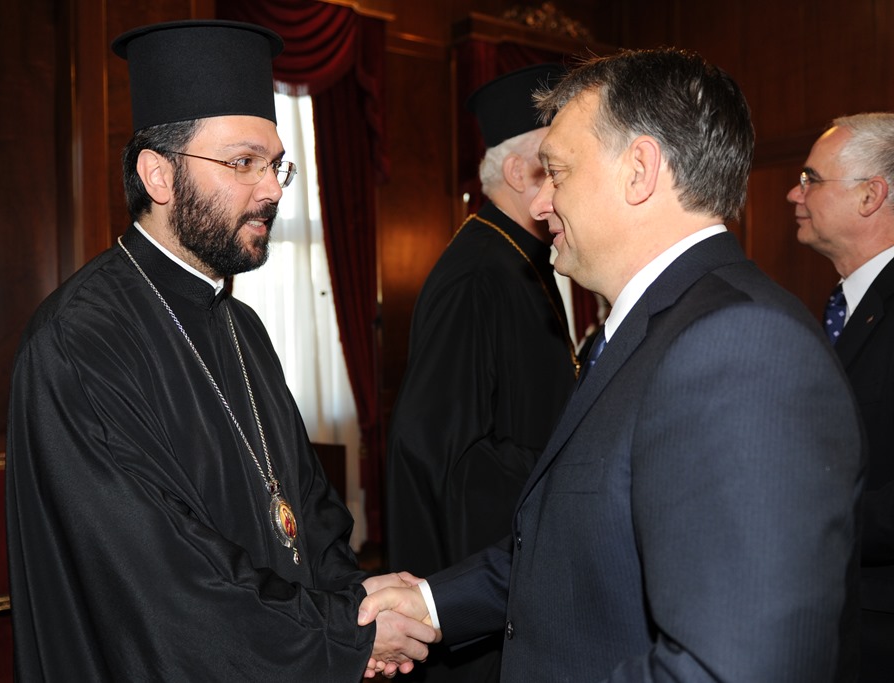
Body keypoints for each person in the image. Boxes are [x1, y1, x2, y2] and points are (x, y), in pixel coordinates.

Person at [360, 47, 866, 682]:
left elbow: (732, 667)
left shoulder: (742, 347)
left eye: (558, 173)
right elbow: (582, 541)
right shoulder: (659, 326)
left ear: (639, 171)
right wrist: (433, 603)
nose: (541, 205)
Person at [5, 20, 432, 681]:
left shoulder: (243, 326)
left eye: (276, 164)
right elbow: (162, 580)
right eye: (242, 163)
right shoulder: (78, 343)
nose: (273, 190)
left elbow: (310, 509)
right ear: (158, 175)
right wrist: (341, 633)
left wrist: (354, 600)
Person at [385, 64, 579, 682]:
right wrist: (569, 473)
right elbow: (442, 453)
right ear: (521, 173)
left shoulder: (524, 258)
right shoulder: (477, 274)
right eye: (558, 165)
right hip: (479, 599)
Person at [787, 113, 894, 683]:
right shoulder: (842, 305)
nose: (793, 193)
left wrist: (796, 520)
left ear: (870, 196)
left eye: (810, 179)